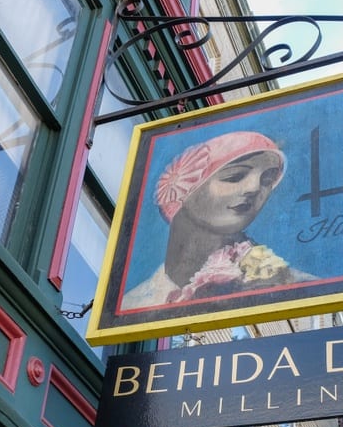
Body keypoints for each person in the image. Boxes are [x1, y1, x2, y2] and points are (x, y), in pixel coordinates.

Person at [121, 130, 309, 309]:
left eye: (266, 180)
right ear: (183, 187)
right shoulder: (133, 302)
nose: (254, 188)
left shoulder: (289, 281)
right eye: (234, 176)